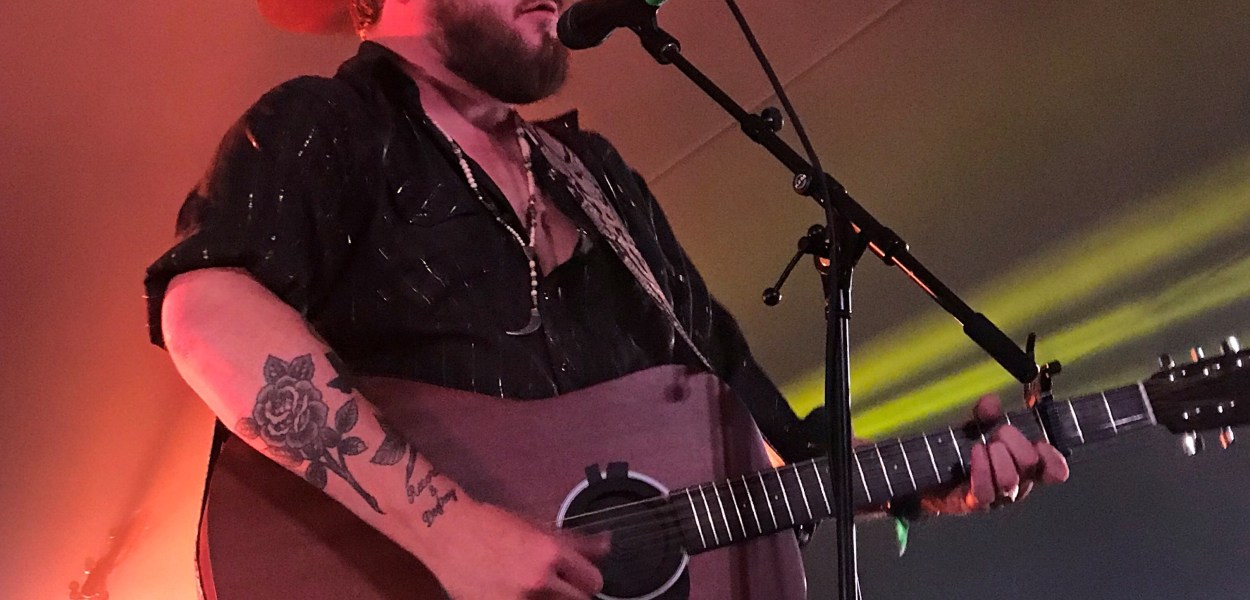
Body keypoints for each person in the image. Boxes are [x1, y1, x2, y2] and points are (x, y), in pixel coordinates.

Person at [145, 0, 1069, 598]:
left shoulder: (595, 176)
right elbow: (204, 309)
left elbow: (750, 426)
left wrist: (916, 482)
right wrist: (449, 530)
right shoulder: (326, 127)